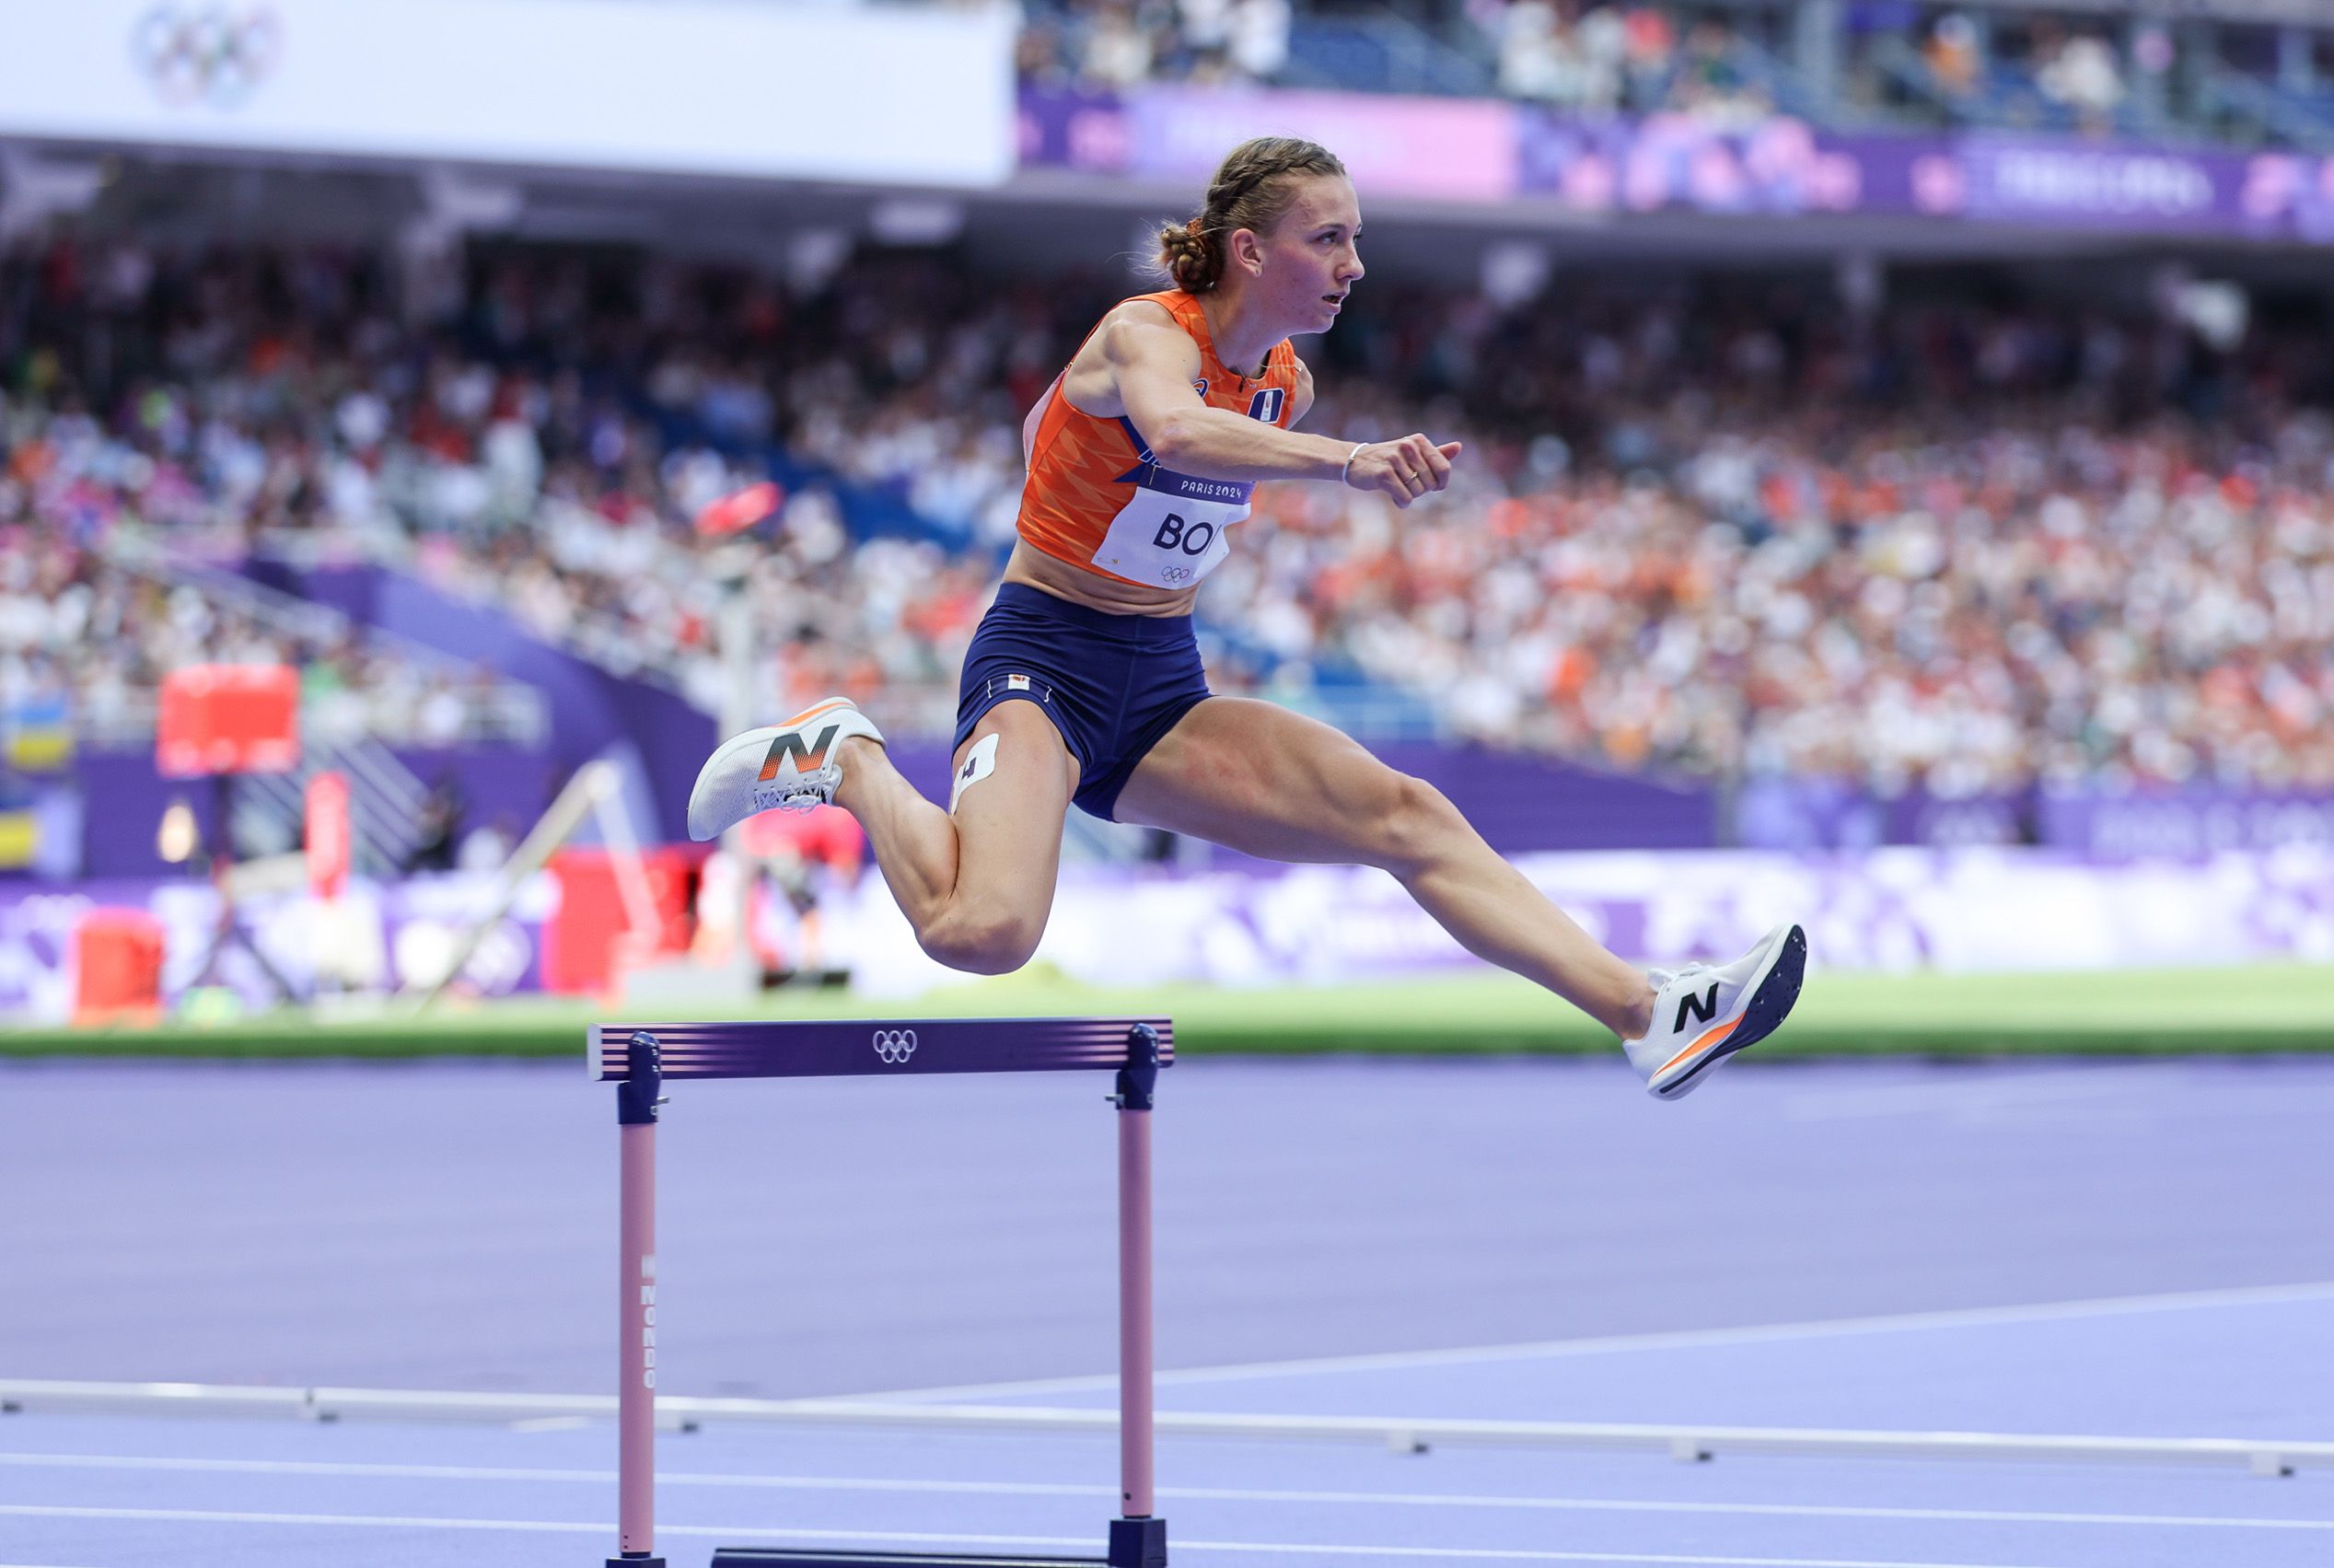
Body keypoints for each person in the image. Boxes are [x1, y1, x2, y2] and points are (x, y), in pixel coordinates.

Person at [689, 136, 1804, 1098]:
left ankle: (1648, 1012)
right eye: (1328, 239)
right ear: (1249, 250)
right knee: (985, 933)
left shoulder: (1286, 384)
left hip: (1163, 681)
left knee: (1403, 813)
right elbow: (1171, 434)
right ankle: (845, 757)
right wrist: (1352, 464)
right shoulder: (1143, 334)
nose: (1353, 265)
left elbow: (1192, 480)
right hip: (1040, 656)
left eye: (1356, 239)